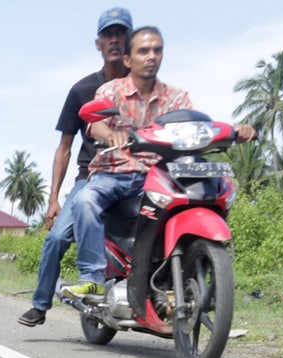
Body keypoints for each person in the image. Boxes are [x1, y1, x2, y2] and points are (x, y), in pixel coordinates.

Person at [62, 26, 254, 305]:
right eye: (143, 51)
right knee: (85, 202)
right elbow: (96, 125)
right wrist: (111, 134)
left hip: (159, 174)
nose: (151, 56)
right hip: (113, 172)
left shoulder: (177, 98)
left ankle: (178, 273)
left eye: (157, 50)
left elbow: (199, 126)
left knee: (198, 199)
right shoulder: (111, 90)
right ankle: (92, 277)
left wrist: (238, 131)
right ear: (128, 60)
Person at [20, 7, 131, 327]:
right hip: (92, 177)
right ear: (98, 43)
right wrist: (54, 199)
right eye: (108, 34)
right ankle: (40, 304)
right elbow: (65, 148)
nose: (114, 40)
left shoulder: (144, 88)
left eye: (121, 33)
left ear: (130, 39)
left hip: (136, 174)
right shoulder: (82, 90)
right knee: (56, 239)